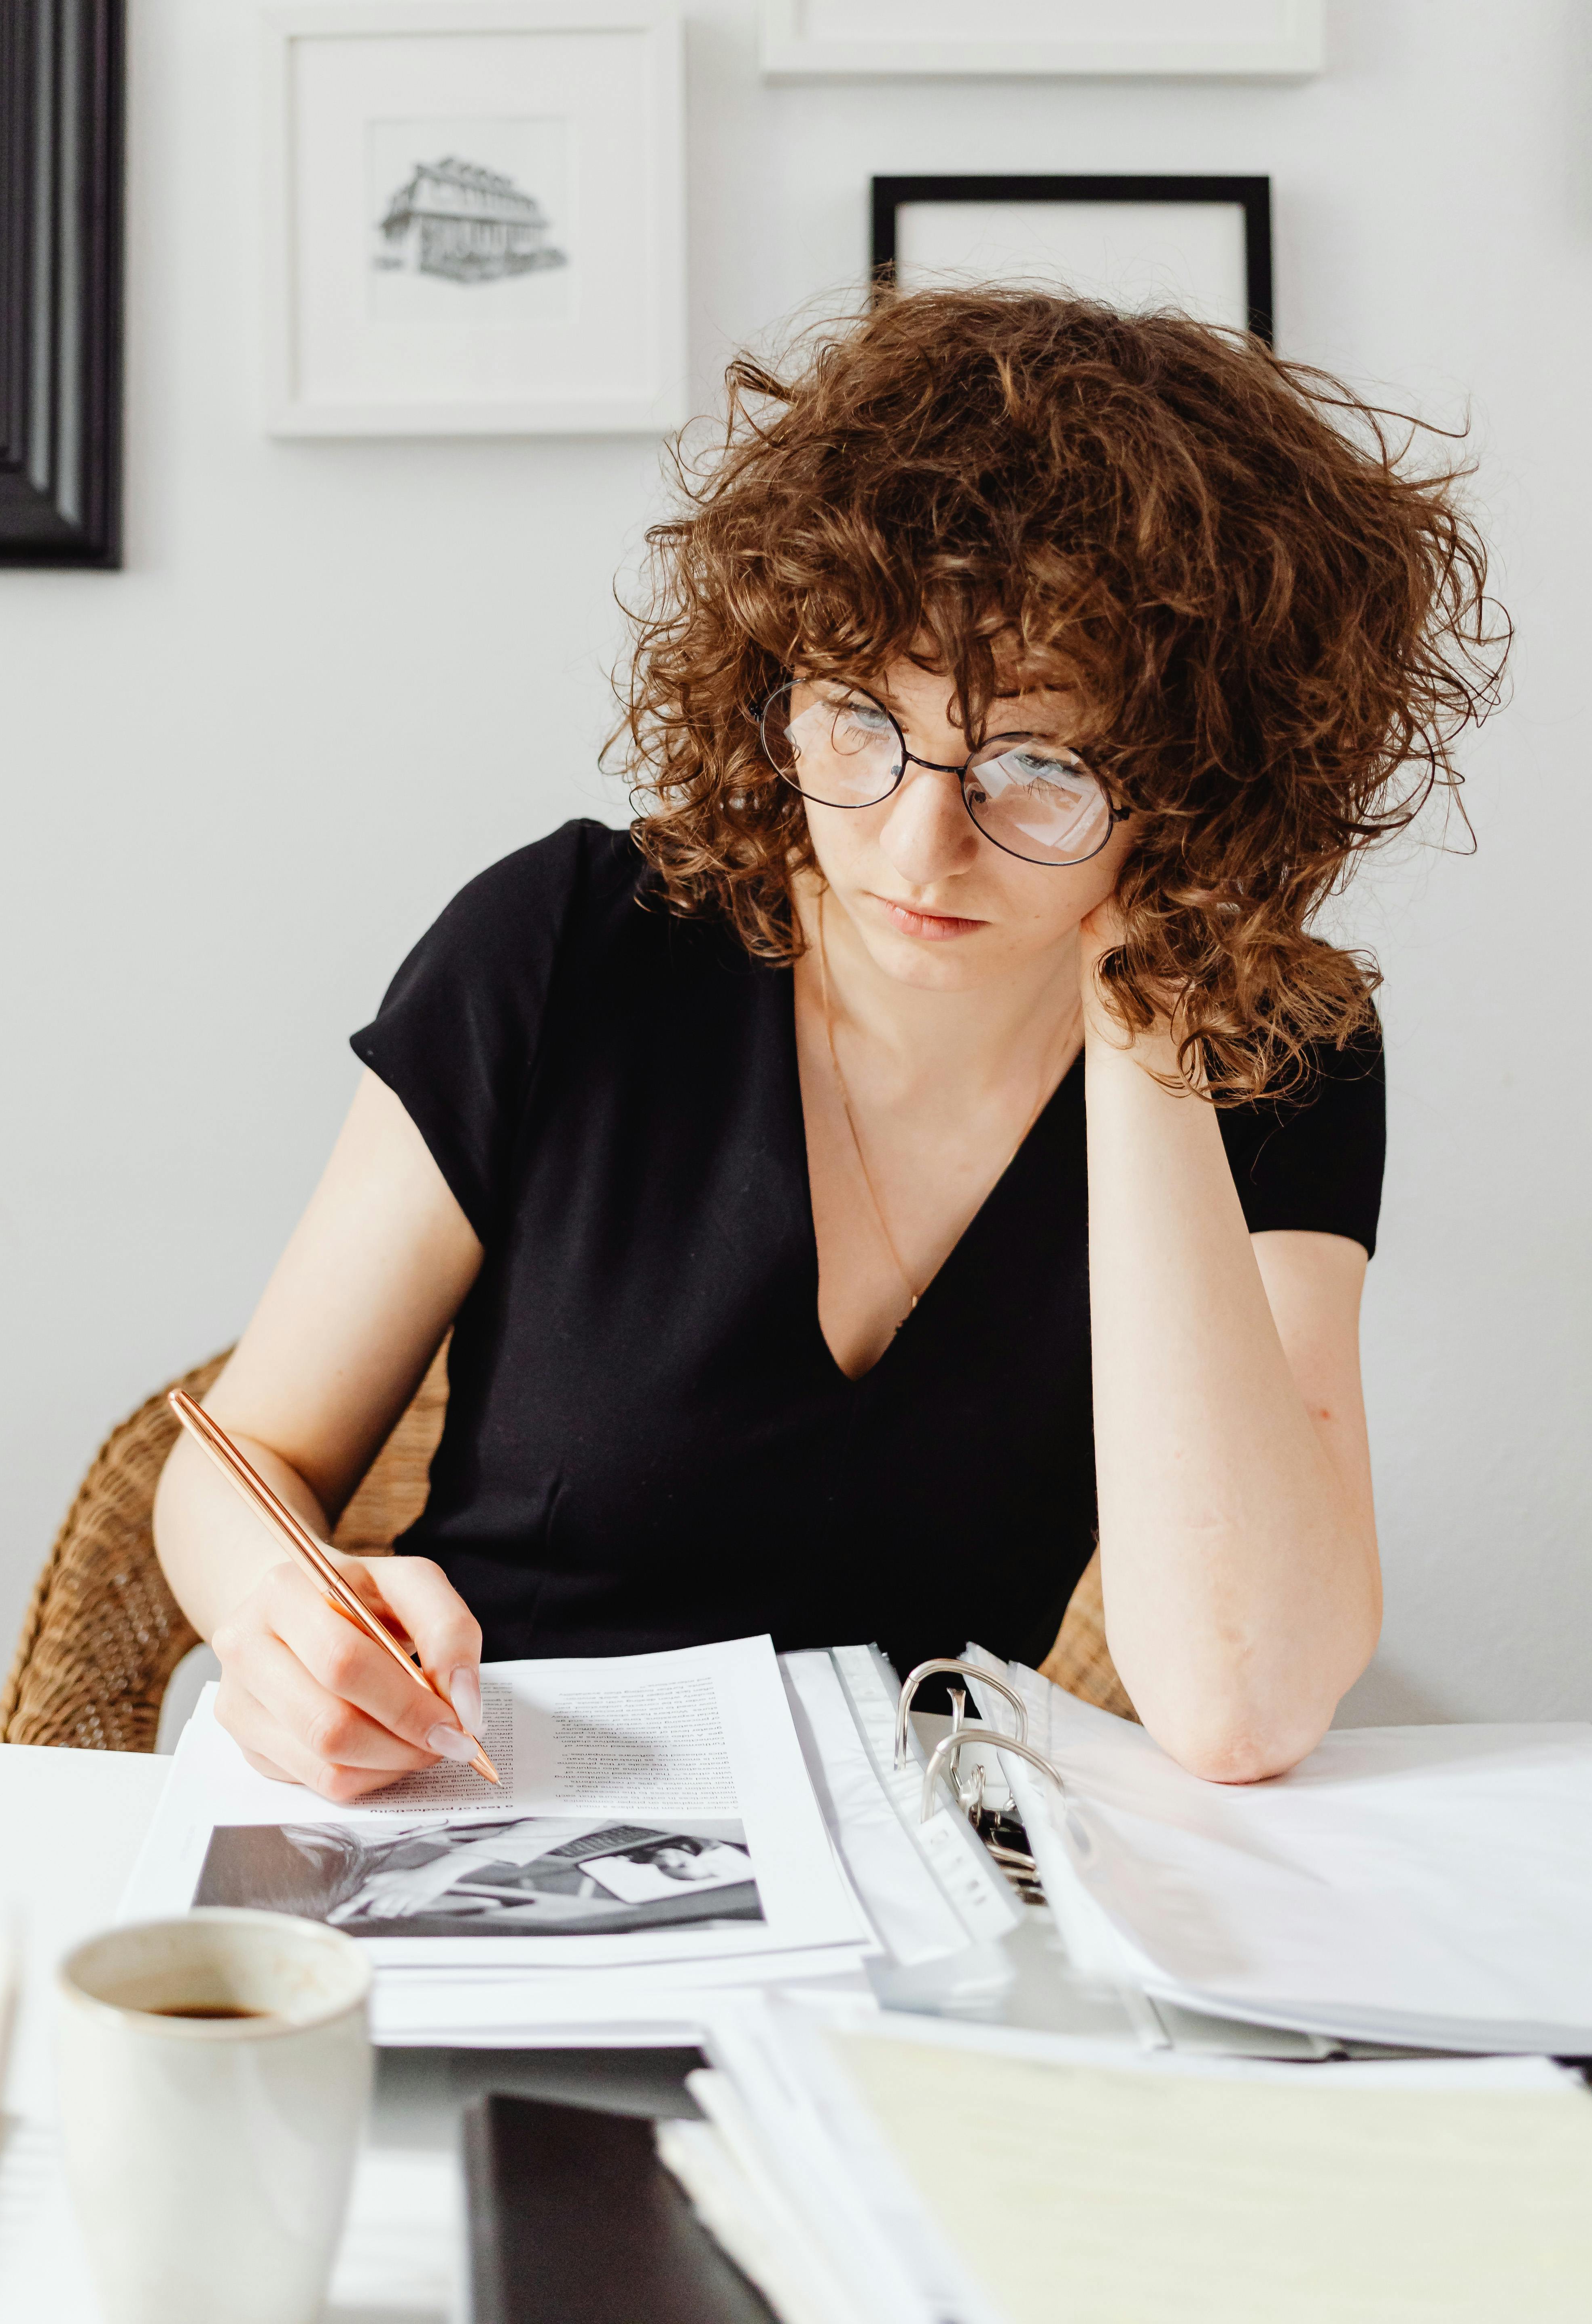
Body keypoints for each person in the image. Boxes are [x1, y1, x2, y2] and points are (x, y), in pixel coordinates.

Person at [153, 289, 1502, 1798]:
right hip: (478, 1815)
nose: (920, 844)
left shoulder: (1271, 1044)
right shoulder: (571, 941)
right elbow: (243, 1451)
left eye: (1039, 765)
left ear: (1203, 784)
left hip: (912, 1903)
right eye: (859, 716)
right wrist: (280, 1606)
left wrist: (1144, 1003)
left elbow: (1240, 1700)